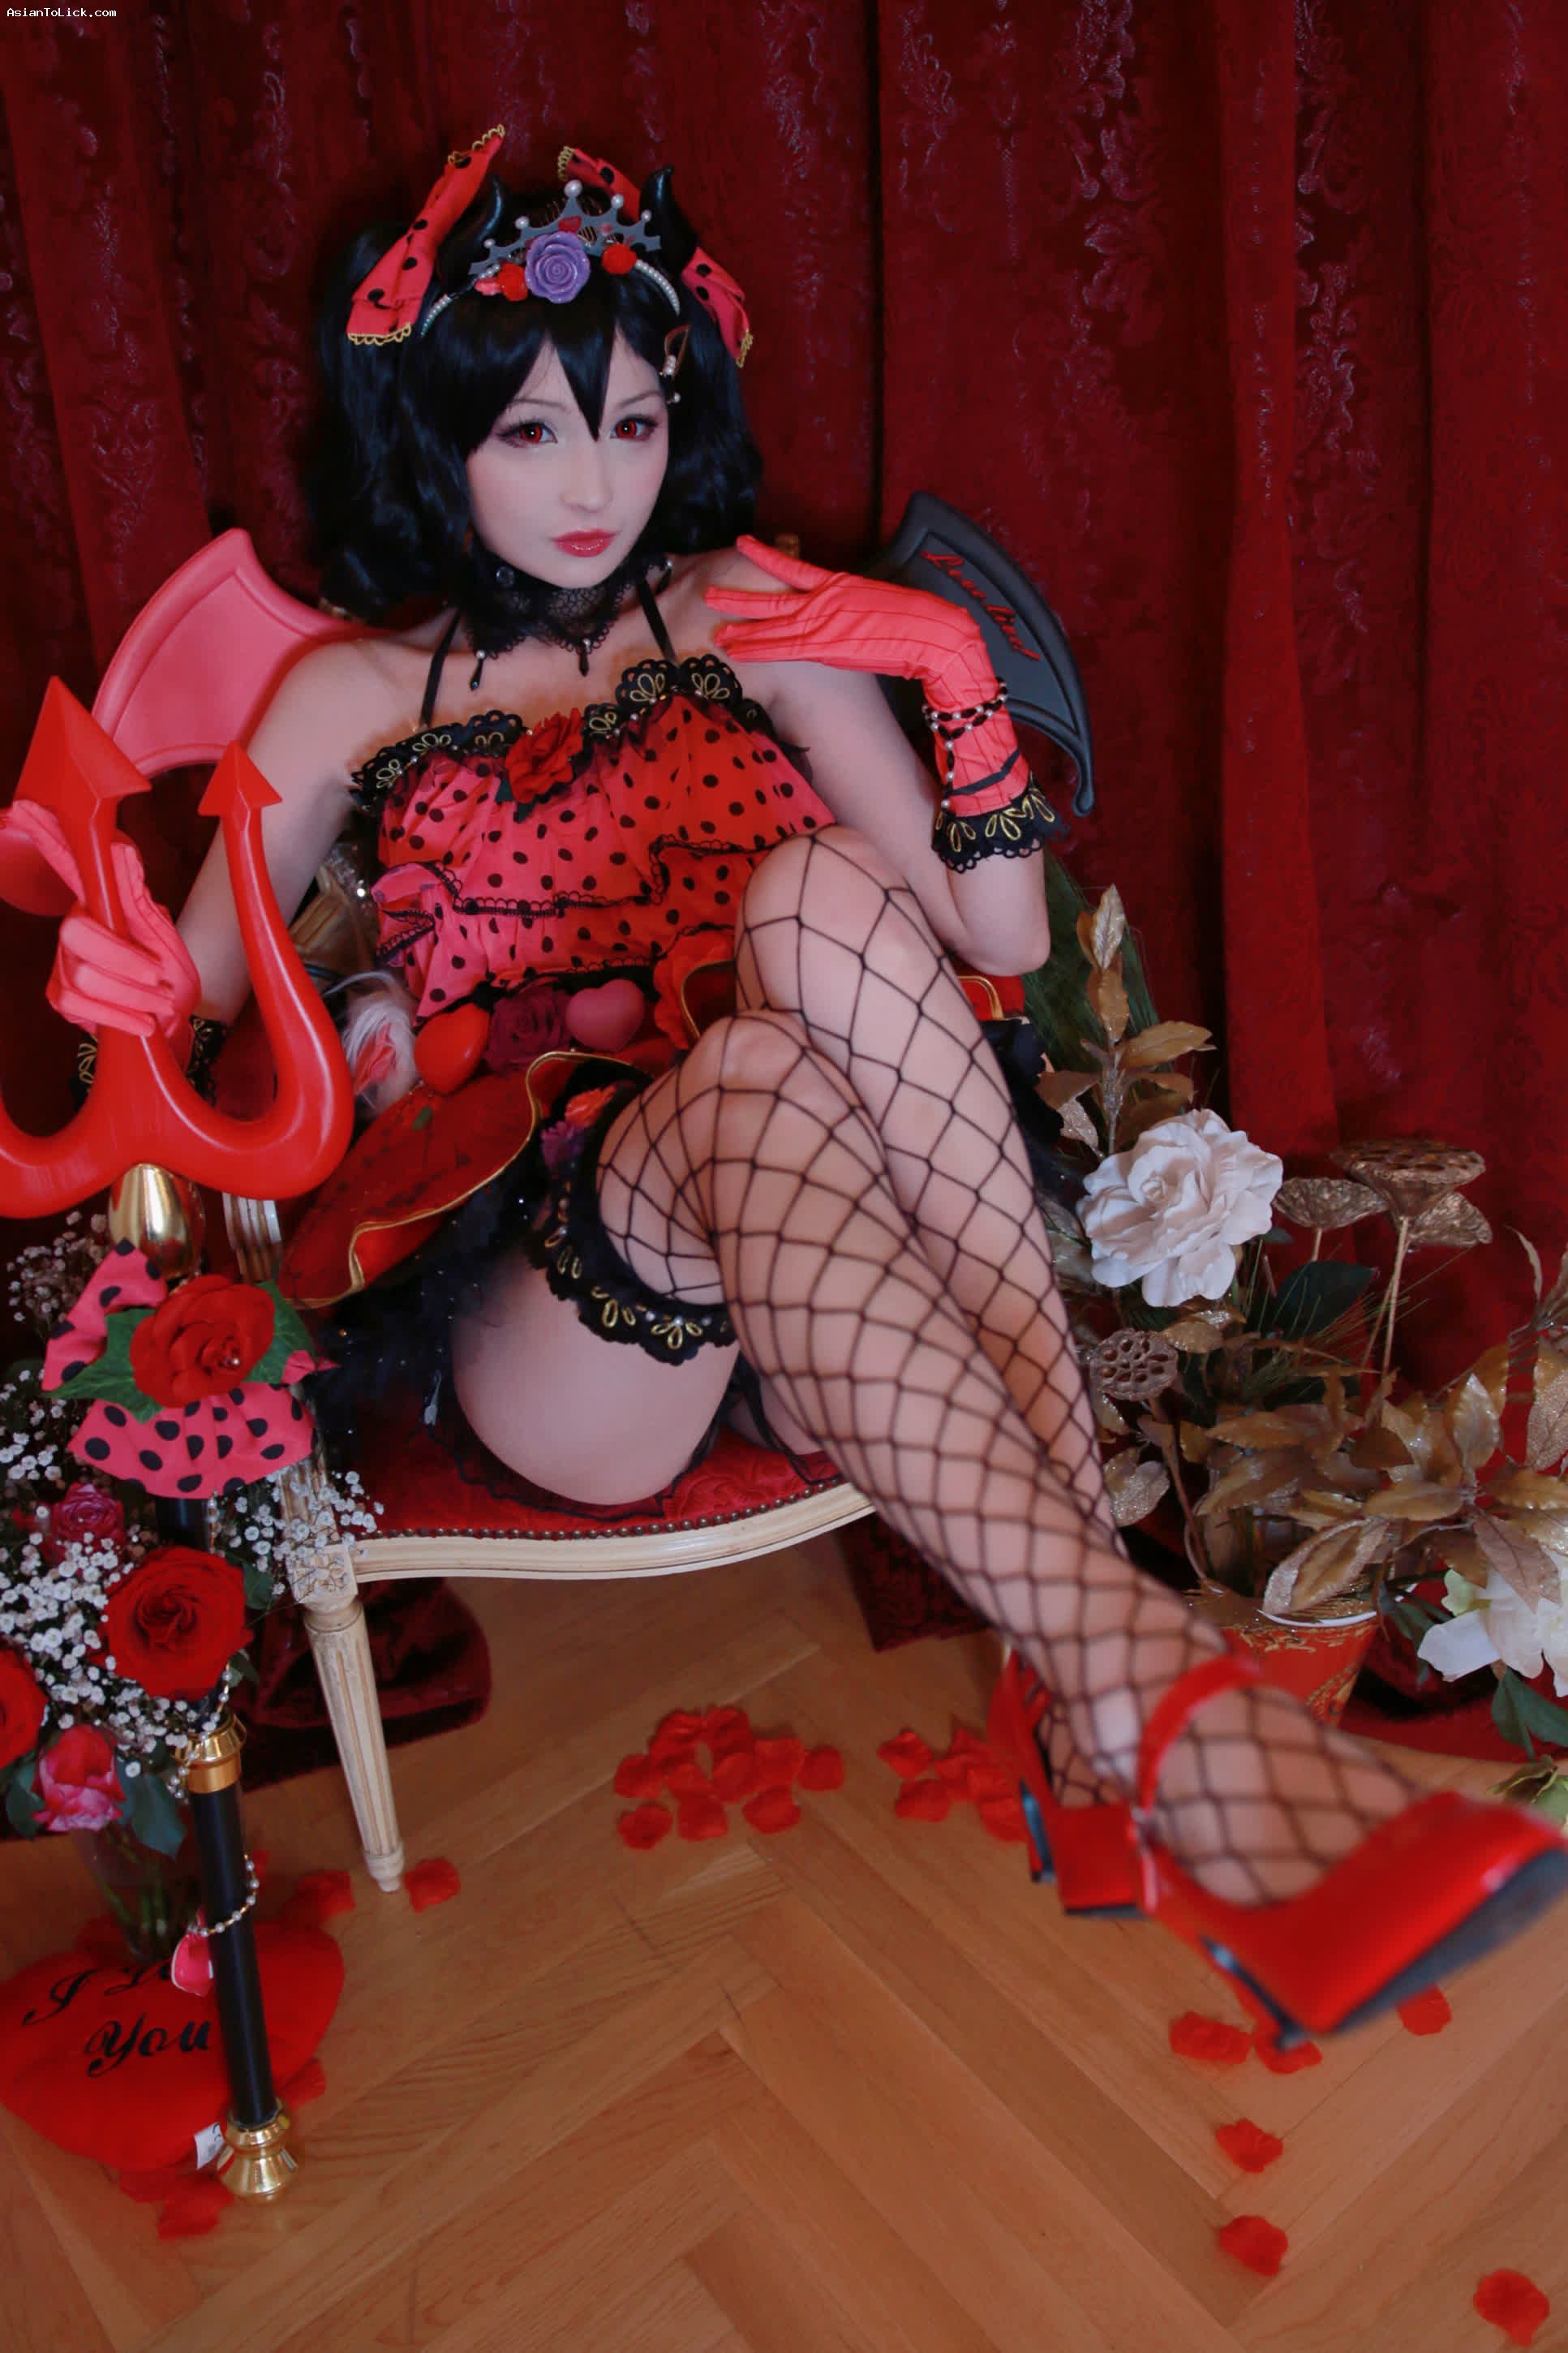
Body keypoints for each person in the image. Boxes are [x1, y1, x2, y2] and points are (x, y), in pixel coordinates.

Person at [34, 131, 1568, 2038]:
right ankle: (1131, 1683)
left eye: (634, 421)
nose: (596, 484)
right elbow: (172, 995)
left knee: (820, 889)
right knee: (753, 1061)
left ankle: (1111, 1693)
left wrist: (947, 667)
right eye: (530, 432)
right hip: (570, 1321)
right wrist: (130, 978)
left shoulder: (750, 614)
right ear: (436, 437)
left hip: (853, 1266)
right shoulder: (349, 695)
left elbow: (990, 930)